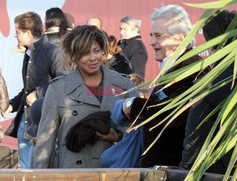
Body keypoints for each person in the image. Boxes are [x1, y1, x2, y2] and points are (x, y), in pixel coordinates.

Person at [112, 5, 210, 168]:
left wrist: (131, 105)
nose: (151, 42)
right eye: (151, 35)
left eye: (159, 36)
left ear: (180, 37)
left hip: (176, 168)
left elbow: (174, 112)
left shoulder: (191, 68)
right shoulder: (178, 66)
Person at [34, 25, 136, 168]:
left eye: (97, 51)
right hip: (72, 172)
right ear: (74, 55)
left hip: (115, 170)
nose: (93, 58)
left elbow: (139, 135)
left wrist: (117, 136)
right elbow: (45, 141)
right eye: (85, 53)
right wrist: (38, 176)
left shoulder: (124, 84)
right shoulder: (58, 88)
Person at [180, 10, 237, 174]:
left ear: (211, 45)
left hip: (219, 172)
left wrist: (184, 170)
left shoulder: (209, 84)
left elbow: (193, 143)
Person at [2, 12, 65, 168]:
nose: (15, 36)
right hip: (26, 118)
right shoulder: (29, 53)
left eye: (17, 32)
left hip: (45, 119)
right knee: (26, 168)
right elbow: (28, 88)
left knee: (40, 167)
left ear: (28, 33)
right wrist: (12, 105)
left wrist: (39, 93)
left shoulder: (53, 52)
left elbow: (64, 81)